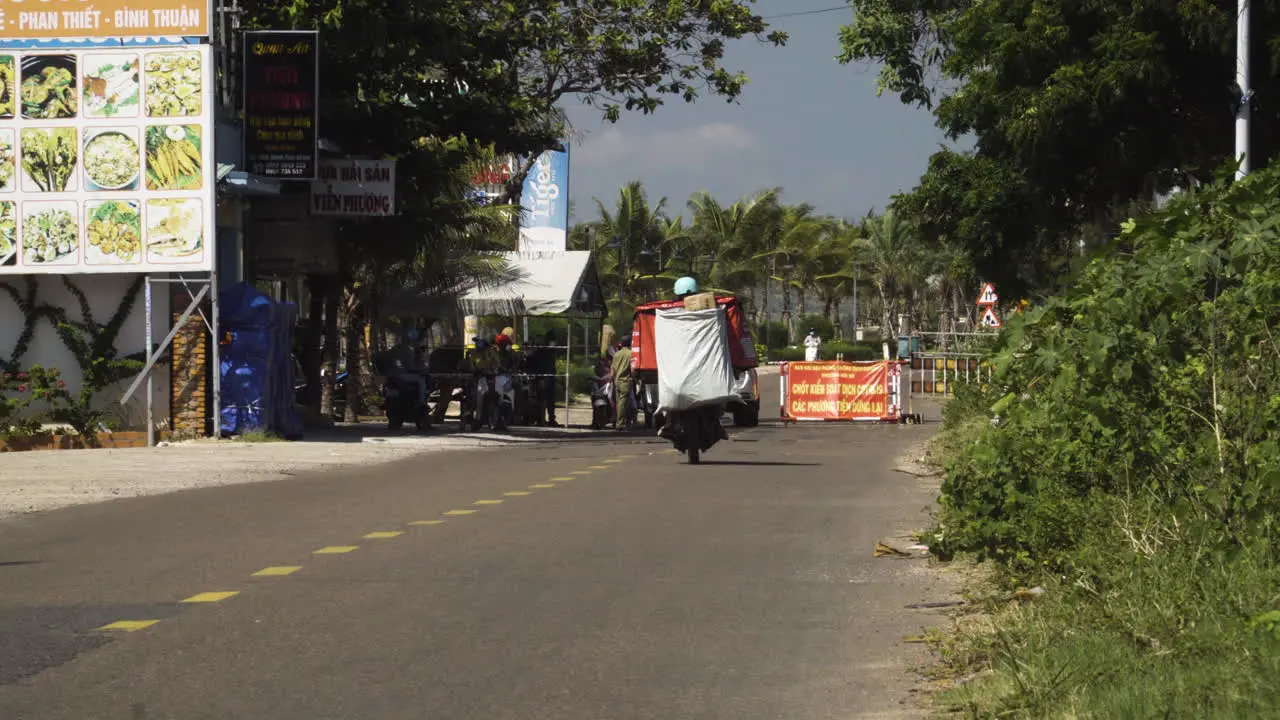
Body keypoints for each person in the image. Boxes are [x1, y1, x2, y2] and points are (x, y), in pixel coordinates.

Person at [527, 330, 561, 426]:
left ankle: (551, 419)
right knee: (542, 400)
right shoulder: (542, 351)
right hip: (542, 378)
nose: (554, 343)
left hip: (550, 378)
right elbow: (536, 364)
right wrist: (540, 378)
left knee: (551, 400)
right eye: (553, 341)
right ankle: (541, 420)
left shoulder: (552, 351)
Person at [611, 335, 634, 430]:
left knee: (620, 403)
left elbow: (613, 369)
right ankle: (620, 424)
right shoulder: (631, 354)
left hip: (617, 381)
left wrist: (613, 379)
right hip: (626, 381)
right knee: (623, 403)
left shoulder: (616, 354)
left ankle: (626, 422)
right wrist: (635, 377)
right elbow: (632, 368)